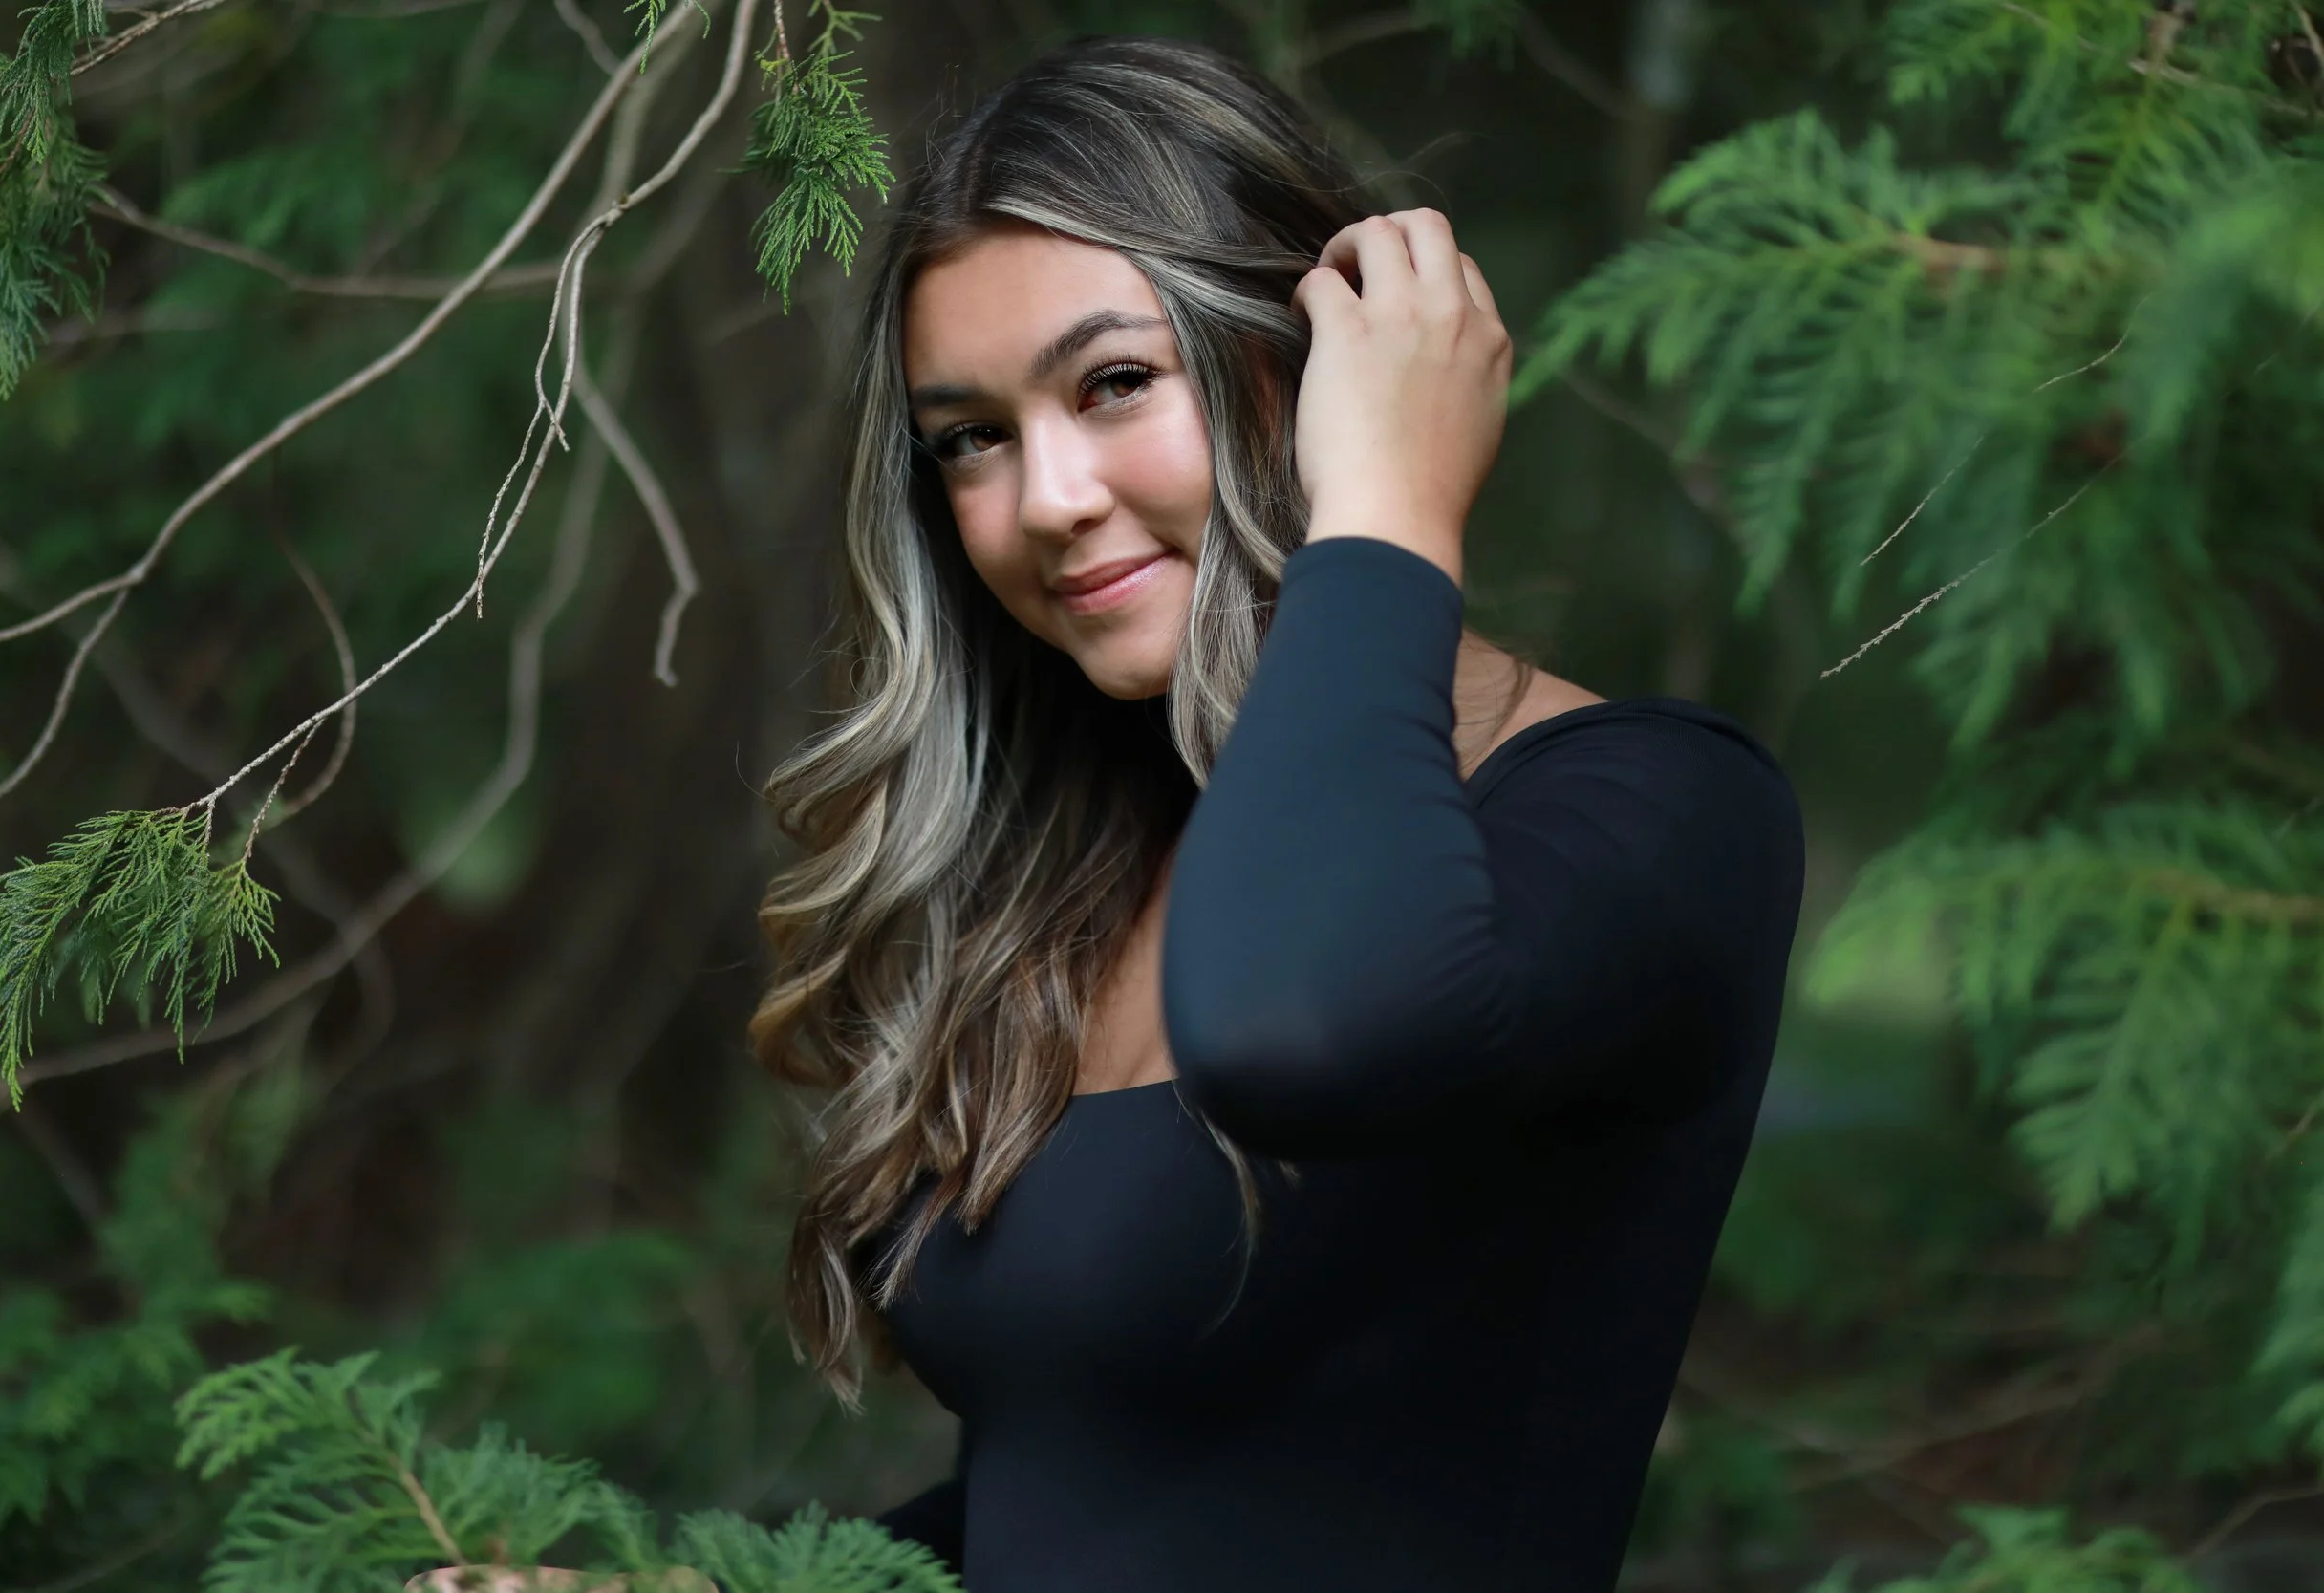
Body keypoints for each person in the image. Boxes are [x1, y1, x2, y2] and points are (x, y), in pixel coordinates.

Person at [745, 35, 1805, 1593]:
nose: (1046, 497)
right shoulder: (1081, 871)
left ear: (1309, 372)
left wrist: (1385, 509)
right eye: (971, 435)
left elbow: (1306, 1030)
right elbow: (1108, 1496)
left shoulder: (1654, 810)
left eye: (1114, 383)